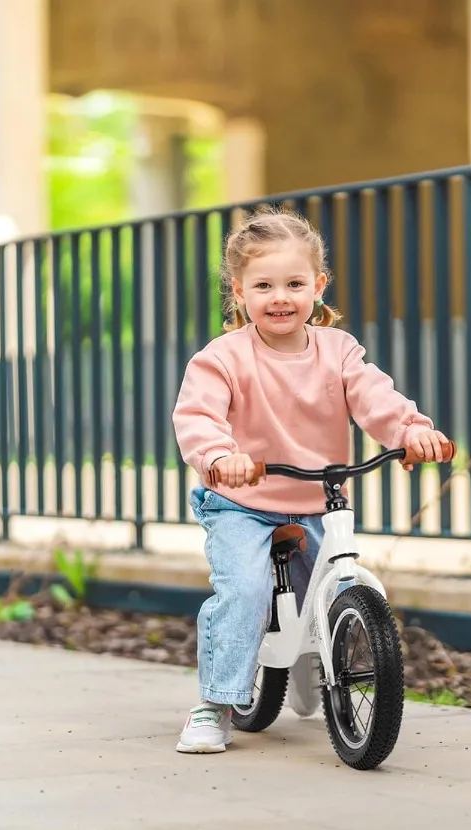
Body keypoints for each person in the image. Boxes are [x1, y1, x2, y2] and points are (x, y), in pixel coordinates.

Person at [171, 207, 451, 754]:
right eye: (264, 285)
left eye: (295, 284)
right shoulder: (222, 358)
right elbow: (198, 417)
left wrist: (412, 431)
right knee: (246, 590)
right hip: (241, 500)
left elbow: (375, 397)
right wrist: (218, 455)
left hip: (317, 498)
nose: (281, 297)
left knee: (339, 589)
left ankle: (330, 675)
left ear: (318, 286)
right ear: (239, 292)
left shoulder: (338, 350)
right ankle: (215, 703)